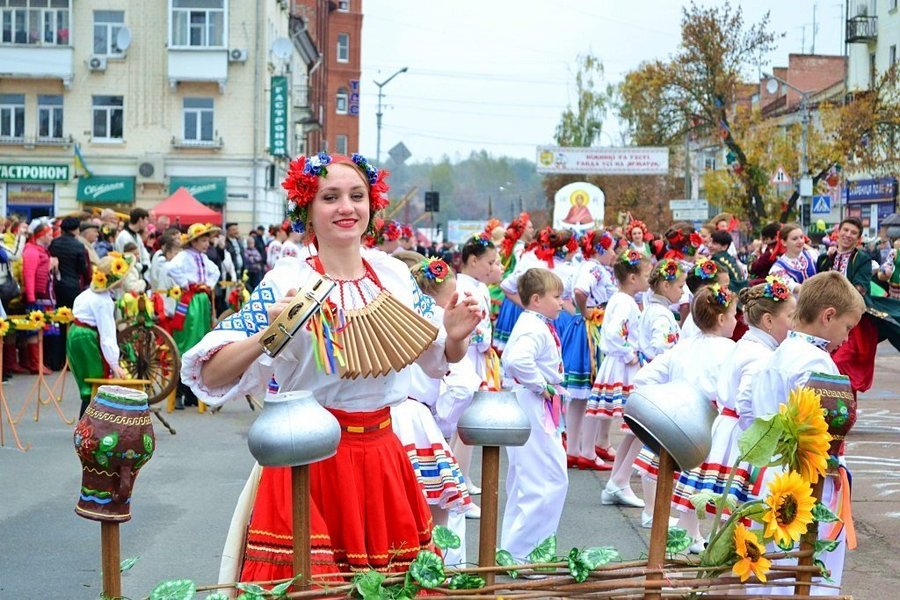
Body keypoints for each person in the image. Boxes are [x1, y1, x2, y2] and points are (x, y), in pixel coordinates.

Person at [180, 152, 481, 583]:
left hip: (383, 456)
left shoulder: (393, 274)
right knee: (312, 585)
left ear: (371, 207)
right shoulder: (286, 281)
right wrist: (269, 332)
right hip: (308, 457)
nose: (346, 207)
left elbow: (436, 359)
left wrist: (453, 335)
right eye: (330, 197)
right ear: (307, 209)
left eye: (357, 196)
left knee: (390, 587)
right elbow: (211, 375)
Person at [751, 271, 866, 594]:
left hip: (771, 478)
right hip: (807, 485)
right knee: (807, 573)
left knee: (773, 571)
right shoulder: (817, 363)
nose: (847, 338)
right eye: (847, 328)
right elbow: (825, 433)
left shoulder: (778, 354)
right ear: (828, 315)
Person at [682, 278, 796, 525]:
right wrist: (757, 435)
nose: (794, 322)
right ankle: (729, 549)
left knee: (726, 500)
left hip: (730, 427)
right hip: (740, 434)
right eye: (790, 316)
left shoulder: (746, 345)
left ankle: (707, 541)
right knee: (736, 504)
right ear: (768, 321)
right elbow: (746, 398)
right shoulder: (759, 354)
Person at [632, 284, 737, 548]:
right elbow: (732, 390)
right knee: (699, 481)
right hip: (710, 420)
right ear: (722, 318)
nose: (737, 321)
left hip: (679, 420)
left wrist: (668, 398)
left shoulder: (684, 346)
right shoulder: (729, 349)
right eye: (735, 315)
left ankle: (689, 532)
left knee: (688, 478)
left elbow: (644, 378)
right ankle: (690, 533)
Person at [394, 255, 474, 566]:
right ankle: (440, 573)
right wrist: (442, 418)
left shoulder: (405, 316)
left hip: (393, 420)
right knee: (434, 516)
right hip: (416, 421)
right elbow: (460, 383)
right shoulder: (434, 320)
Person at [602, 258, 686, 520]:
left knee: (635, 432)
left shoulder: (653, 308)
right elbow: (661, 347)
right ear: (665, 285)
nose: (683, 291)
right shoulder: (659, 313)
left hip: (646, 371)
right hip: (653, 376)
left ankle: (618, 480)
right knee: (643, 432)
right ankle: (624, 484)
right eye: (680, 286)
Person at [500, 267, 569, 561]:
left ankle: (519, 551)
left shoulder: (535, 323)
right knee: (547, 480)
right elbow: (515, 360)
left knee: (529, 479)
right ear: (537, 299)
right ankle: (527, 554)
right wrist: (541, 386)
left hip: (533, 402)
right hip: (533, 403)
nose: (561, 302)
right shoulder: (533, 326)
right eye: (557, 297)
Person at [582, 249, 650, 475]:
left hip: (620, 360)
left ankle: (601, 444)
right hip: (621, 362)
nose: (649, 279)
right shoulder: (625, 302)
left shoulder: (624, 299)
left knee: (611, 408)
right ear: (633, 278)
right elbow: (612, 333)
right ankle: (594, 449)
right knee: (620, 409)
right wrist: (629, 353)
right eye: (646, 275)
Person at [450, 234, 500, 512]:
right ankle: (458, 491)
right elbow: (470, 326)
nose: (493, 266)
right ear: (473, 260)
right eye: (489, 262)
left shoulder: (476, 286)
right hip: (466, 359)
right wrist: (483, 339)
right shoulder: (464, 288)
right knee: (464, 424)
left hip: (475, 359)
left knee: (465, 424)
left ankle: (463, 477)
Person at [562, 230, 617, 469]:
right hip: (590, 330)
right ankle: (585, 450)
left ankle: (575, 448)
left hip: (582, 327)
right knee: (593, 391)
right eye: (611, 249)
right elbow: (579, 291)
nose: (614, 254)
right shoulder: (594, 269)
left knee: (580, 396)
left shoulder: (581, 266)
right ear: (600, 250)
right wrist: (585, 311)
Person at [68, 254, 132, 416]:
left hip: (74, 333)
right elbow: (107, 334)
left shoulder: (86, 294)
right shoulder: (103, 302)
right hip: (86, 337)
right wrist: (114, 362)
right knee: (98, 378)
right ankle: (91, 422)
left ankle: (86, 420)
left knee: (87, 380)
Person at [167, 223, 221, 408]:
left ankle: (192, 393)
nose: (207, 244)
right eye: (204, 240)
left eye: (208, 240)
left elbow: (216, 271)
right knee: (187, 340)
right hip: (189, 300)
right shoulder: (183, 256)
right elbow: (171, 268)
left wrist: (209, 284)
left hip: (202, 299)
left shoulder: (203, 258)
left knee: (201, 340)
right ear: (194, 241)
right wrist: (186, 283)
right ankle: (180, 392)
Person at [21, 221, 57, 374]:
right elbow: (28, 275)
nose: (51, 237)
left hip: (44, 295)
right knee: (34, 331)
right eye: (49, 234)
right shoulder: (32, 251)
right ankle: (35, 363)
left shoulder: (41, 250)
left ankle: (36, 362)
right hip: (37, 296)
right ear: (41, 235)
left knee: (41, 330)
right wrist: (30, 297)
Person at [49, 216, 90, 309]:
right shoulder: (78, 245)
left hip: (56, 285)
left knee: (58, 315)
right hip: (72, 285)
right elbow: (82, 268)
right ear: (76, 229)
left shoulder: (54, 243)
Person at [768, 223, 817, 293]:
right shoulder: (777, 269)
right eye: (795, 239)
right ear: (784, 242)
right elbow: (793, 287)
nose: (800, 241)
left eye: (801, 237)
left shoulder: (812, 254)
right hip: (798, 303)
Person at [115, 208, 151, 277]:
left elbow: (144, 253)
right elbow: (128, 258)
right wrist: (142, 267)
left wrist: (146, 265)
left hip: (138, 273)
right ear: (140, 219)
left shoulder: (137, 236)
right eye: (146, 219)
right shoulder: (123, 237)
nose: (147, 222)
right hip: (128, 275)